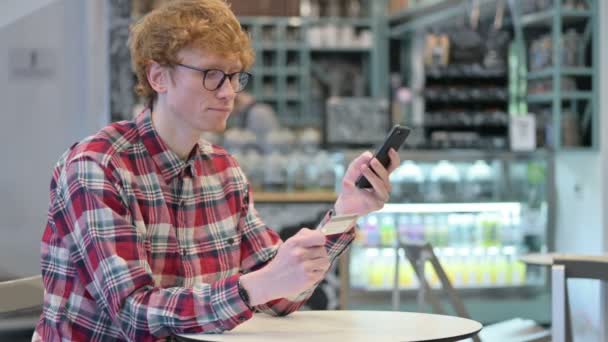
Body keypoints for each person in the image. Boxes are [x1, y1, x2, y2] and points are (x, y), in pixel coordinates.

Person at [33, 1, 400, 341]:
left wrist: (348, 210)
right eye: (212, 74)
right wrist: (255, 286)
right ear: (158, 77)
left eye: (235, 76)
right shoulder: (96, 166)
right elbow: (133, 316)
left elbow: (280, 296)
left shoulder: (223, 170)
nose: (229, 92)